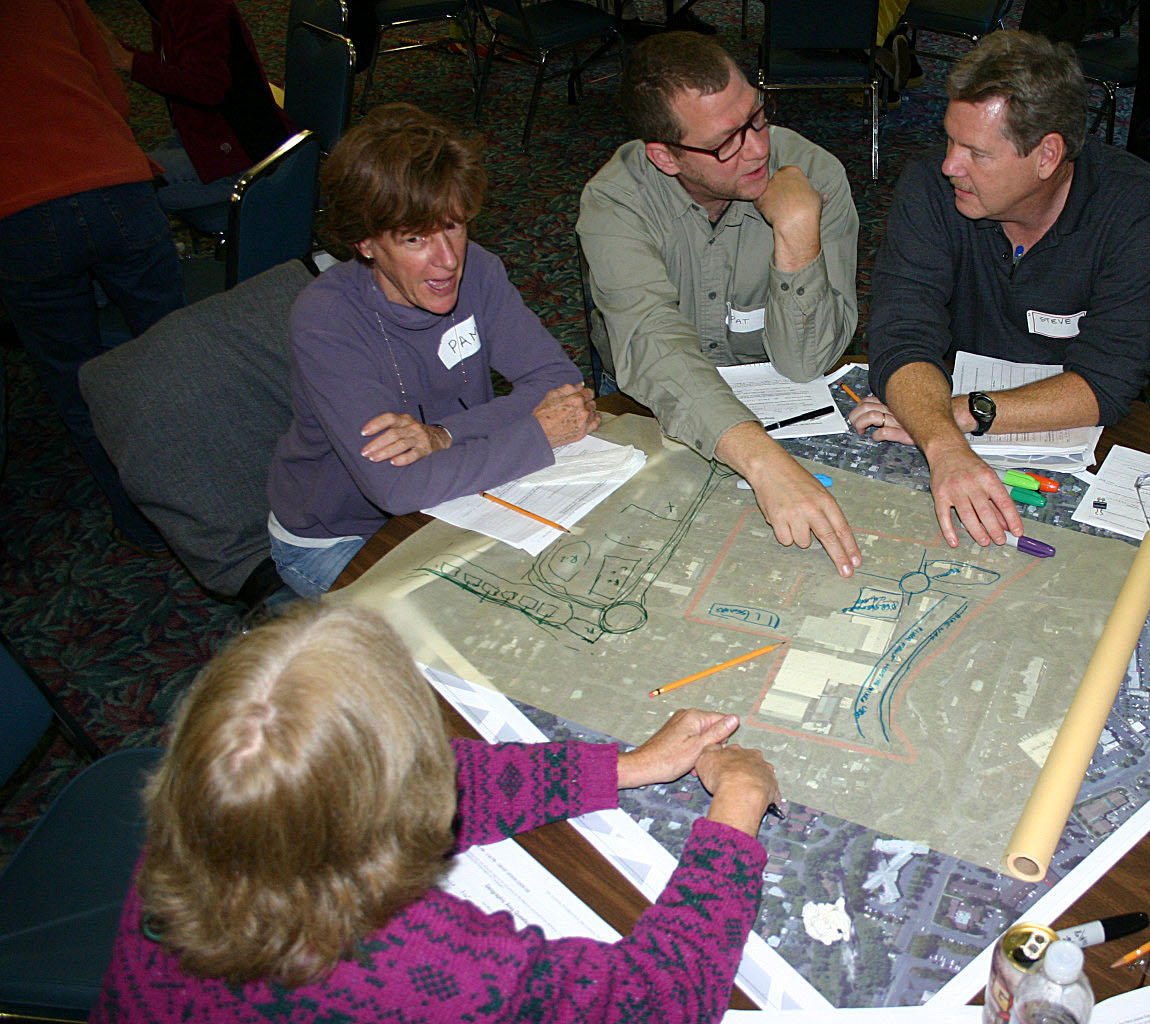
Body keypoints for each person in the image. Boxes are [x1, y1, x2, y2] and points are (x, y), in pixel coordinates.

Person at [92, 602, 778, 1022]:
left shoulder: (214, 818)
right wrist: (737, 808)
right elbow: (659, 999)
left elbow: (428, 783)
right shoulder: (413, 963)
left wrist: (623, 768)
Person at [851, 29, 1150, 550]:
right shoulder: (931, 187)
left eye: (976, 153)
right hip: (945, 422)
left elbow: (1108, 380)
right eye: (950, 140)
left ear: (1047, 156)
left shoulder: (1135, 206)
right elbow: (902, 334)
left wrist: (951, 416)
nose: (949, 165)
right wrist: (944, 443)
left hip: (1073, 443)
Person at [267, 104, 599, 598]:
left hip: (454, 495)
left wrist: (444, 436)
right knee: (476, 620)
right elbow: (398, 488)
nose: (447, 260)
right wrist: (535, 433)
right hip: (345, 536)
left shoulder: (478, 270)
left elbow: (557, 383)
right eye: (415, 238)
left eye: (454, 226)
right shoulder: (328, 321)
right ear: (365, 243)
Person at [577, 32, 862, 577]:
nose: (757, 149)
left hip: (782, 395)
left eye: (756, 117)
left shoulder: (813, 175)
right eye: (724, 143)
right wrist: (765, 463)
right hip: (651, 399)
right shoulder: (615, 201)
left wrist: (797, 233)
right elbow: (654, 348)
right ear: (664, 156)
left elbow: (805, 362)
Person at [0, 0, 185, 553]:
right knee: (178, 353)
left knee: (77, 380)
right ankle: (220, 503)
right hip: (115, 182)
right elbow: (114, 95)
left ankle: (143, 525)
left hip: (18, 210)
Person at [97, 0, 295, 213]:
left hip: (244, 155)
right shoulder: (165, 7)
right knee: (113, 176)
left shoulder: (197, 6)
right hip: (205, 137)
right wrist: (123, 55)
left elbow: (208, 88)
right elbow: (177, 69)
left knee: (118, 187)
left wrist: (128, 61)